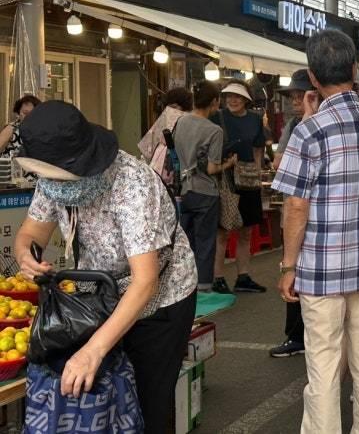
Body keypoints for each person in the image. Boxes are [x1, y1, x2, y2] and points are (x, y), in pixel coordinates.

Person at [14, 101, 197, 434]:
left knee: (147, 402)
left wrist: (92, 350)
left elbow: (145, 282)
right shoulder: (51, 177)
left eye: (62, 179)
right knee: (103, 398)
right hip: (99, 296)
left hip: (158, 299)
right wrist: (26, 252)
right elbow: (31, 232)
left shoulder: (134, 184)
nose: (54, 186)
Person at [273, 29, 359, 433]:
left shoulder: (308, 131)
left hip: (322, 268)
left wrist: (288, 265)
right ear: (354, 70)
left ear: (312, 78)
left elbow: (296, 205)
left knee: (325, 363)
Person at [269, 68, 315, 359]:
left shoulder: (315, 125)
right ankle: (297, 335)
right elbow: (277, 164)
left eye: (301, 94)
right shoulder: (293, 126)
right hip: (295, 211)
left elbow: (285, 164)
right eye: (293, 95)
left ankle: (309, 337)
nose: (296, 100)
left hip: (314, 213)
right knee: (293, 270)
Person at [174, 81, 235, 292]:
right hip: (206, 191)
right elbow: (211, 168)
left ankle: (185, 285)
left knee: (186, 241)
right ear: (214, 102)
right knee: (206, 242)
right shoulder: (214, 130)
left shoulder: (180, 122)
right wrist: (229, 163)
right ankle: (204, 286)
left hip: (184, 189)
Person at [210, 79, 267, 294]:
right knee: (223, 230)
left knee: (247, 230)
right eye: (229, 96)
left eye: (237, 96)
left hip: (250, 178)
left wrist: (259, 174)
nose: (232, 100)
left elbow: (258, 149)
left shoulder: (255, 119)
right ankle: (218, 278)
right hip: (225, 177)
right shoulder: (218, 117)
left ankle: (243, 276)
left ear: (246, 99)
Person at [273, 69, 315, 172]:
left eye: (300, 97)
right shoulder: (293, 123)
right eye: (293, 98)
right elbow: (277, 163)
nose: (295, 102)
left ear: (313, 96)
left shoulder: (325, 120)